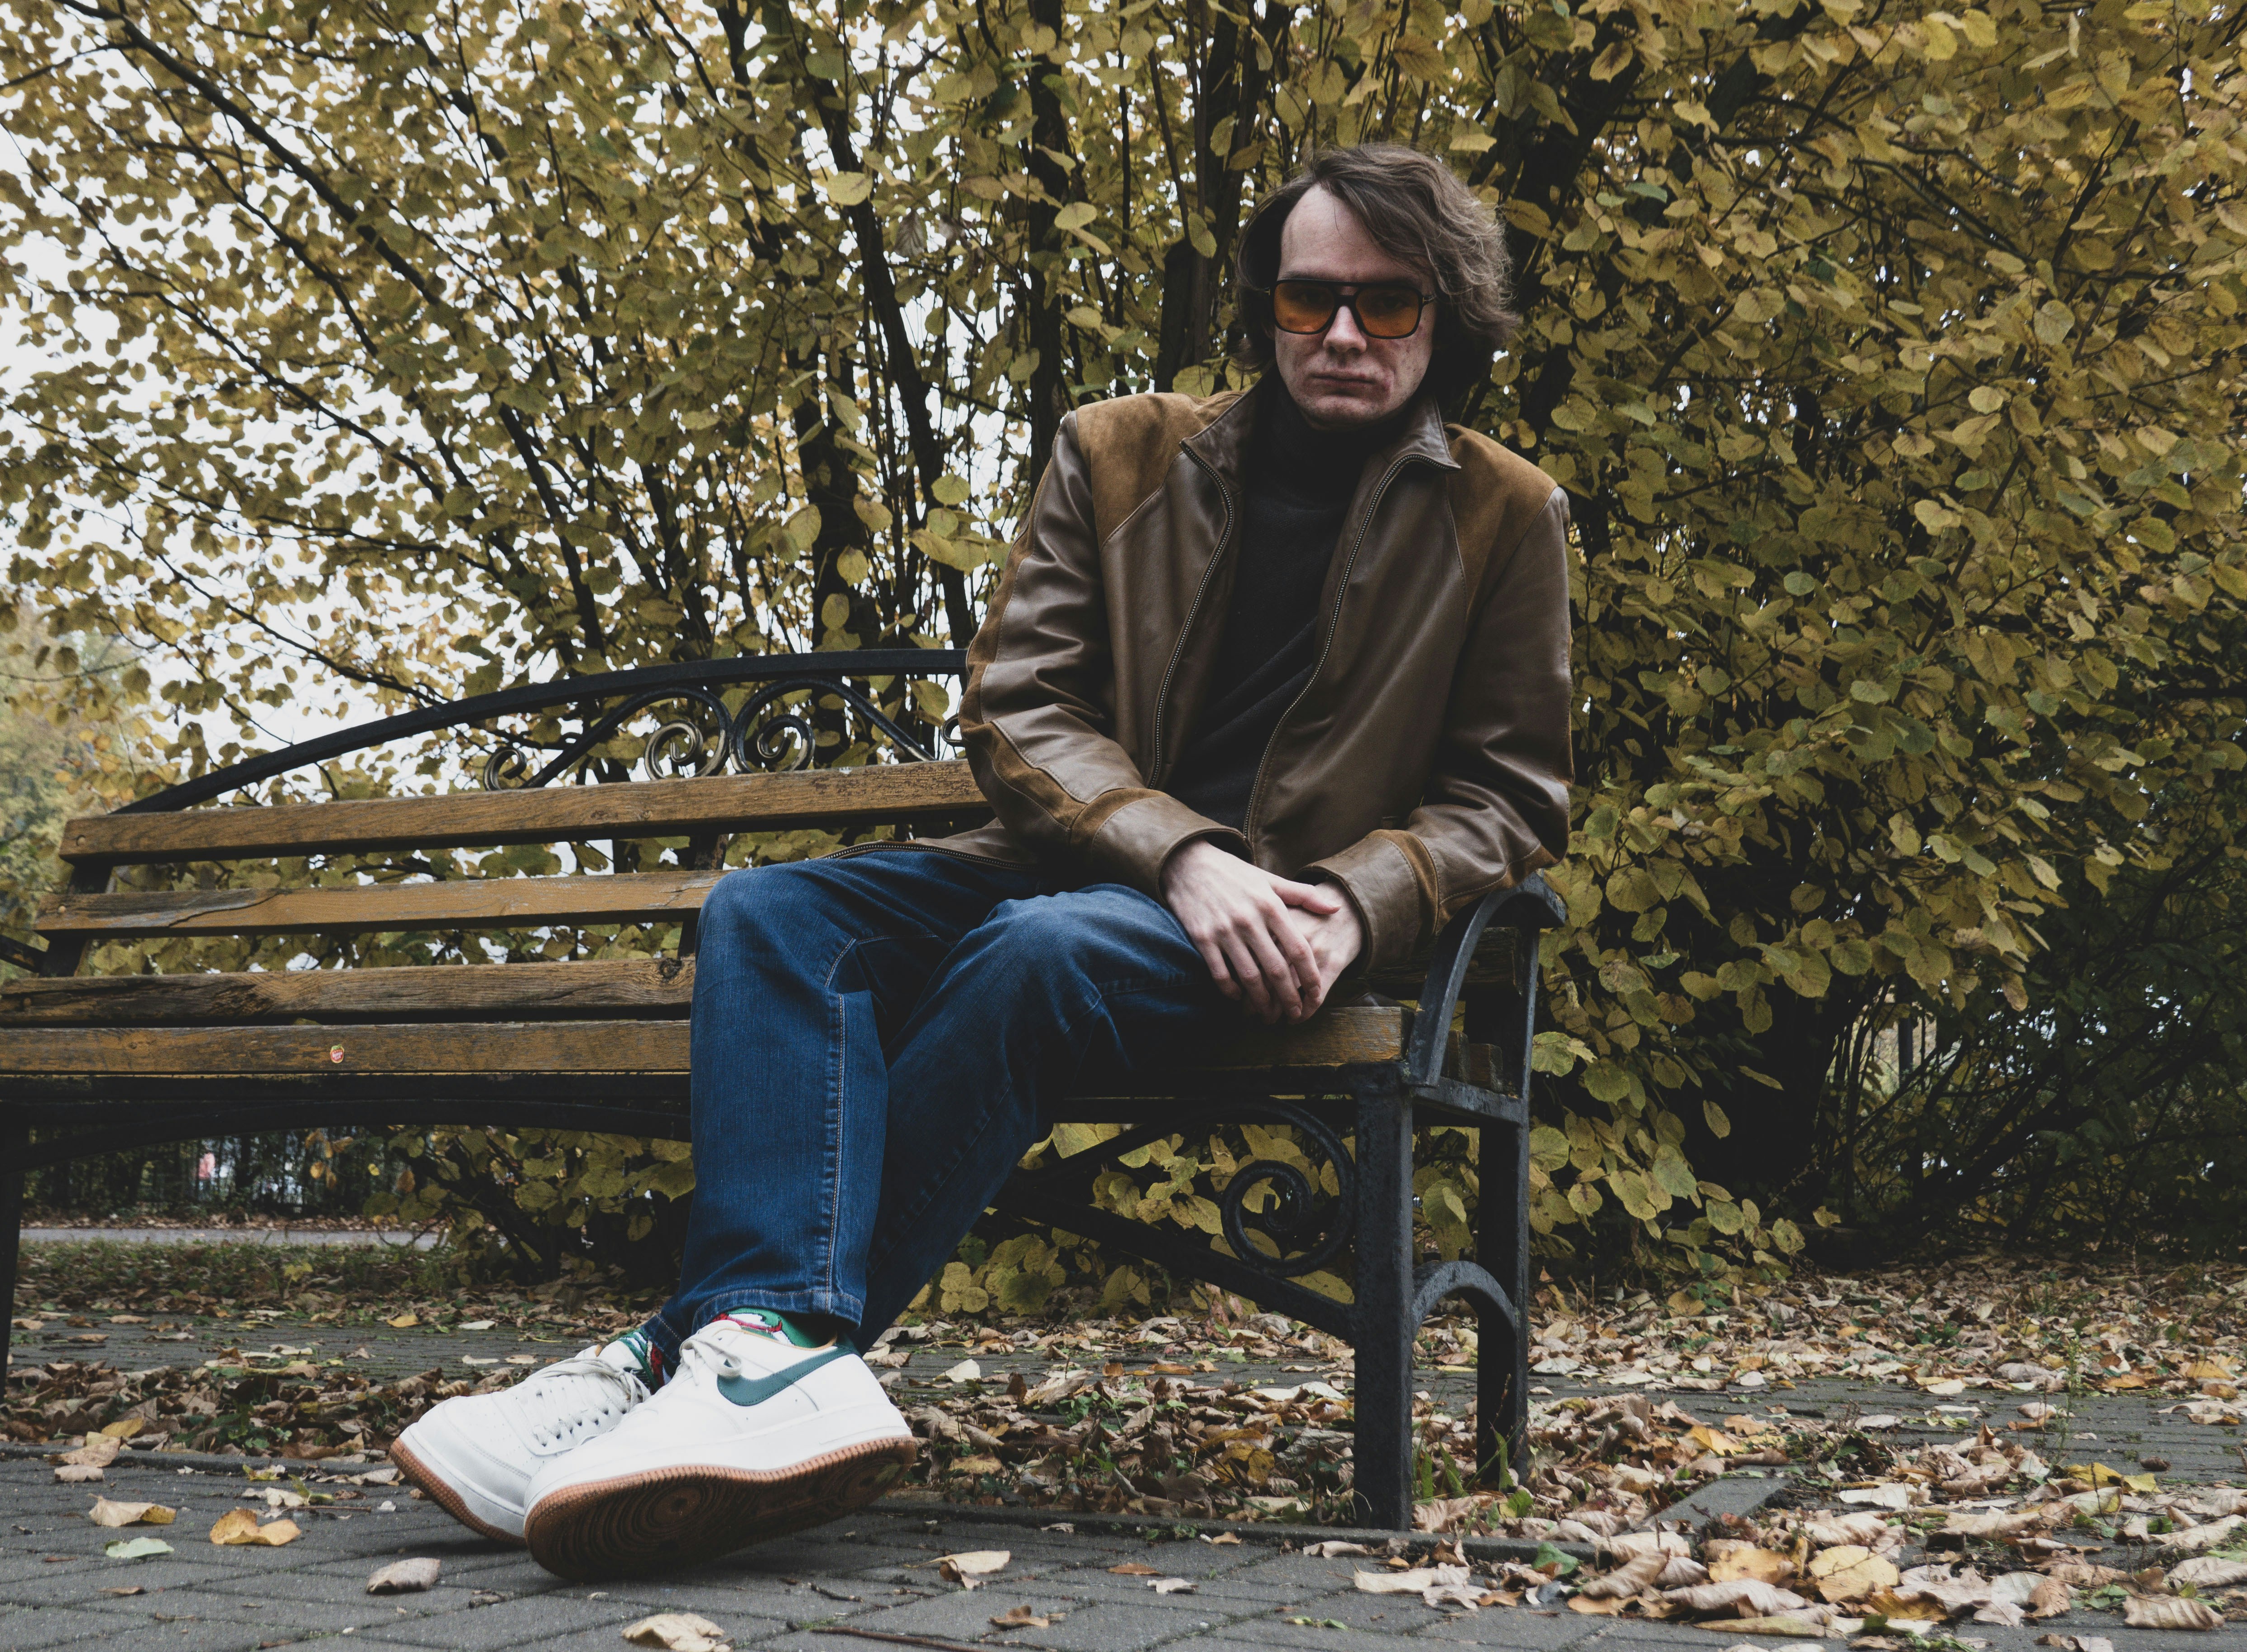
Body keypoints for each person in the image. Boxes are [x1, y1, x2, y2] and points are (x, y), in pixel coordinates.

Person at [390, 141, 1572, 1580]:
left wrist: (1354, 904)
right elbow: (1022, 709)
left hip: (1279, 926)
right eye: (1306, 296)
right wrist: (1175, 850)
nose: (1340, 332)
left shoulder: (1506, 514)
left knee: (1039, 952)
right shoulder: (1122, 452)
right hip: (1094, 862)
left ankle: (694, 1354)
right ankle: (758, 1350)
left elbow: (1509, 793)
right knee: (769, 913)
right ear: (1264, 303)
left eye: (1385, 303)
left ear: (1445, 316)